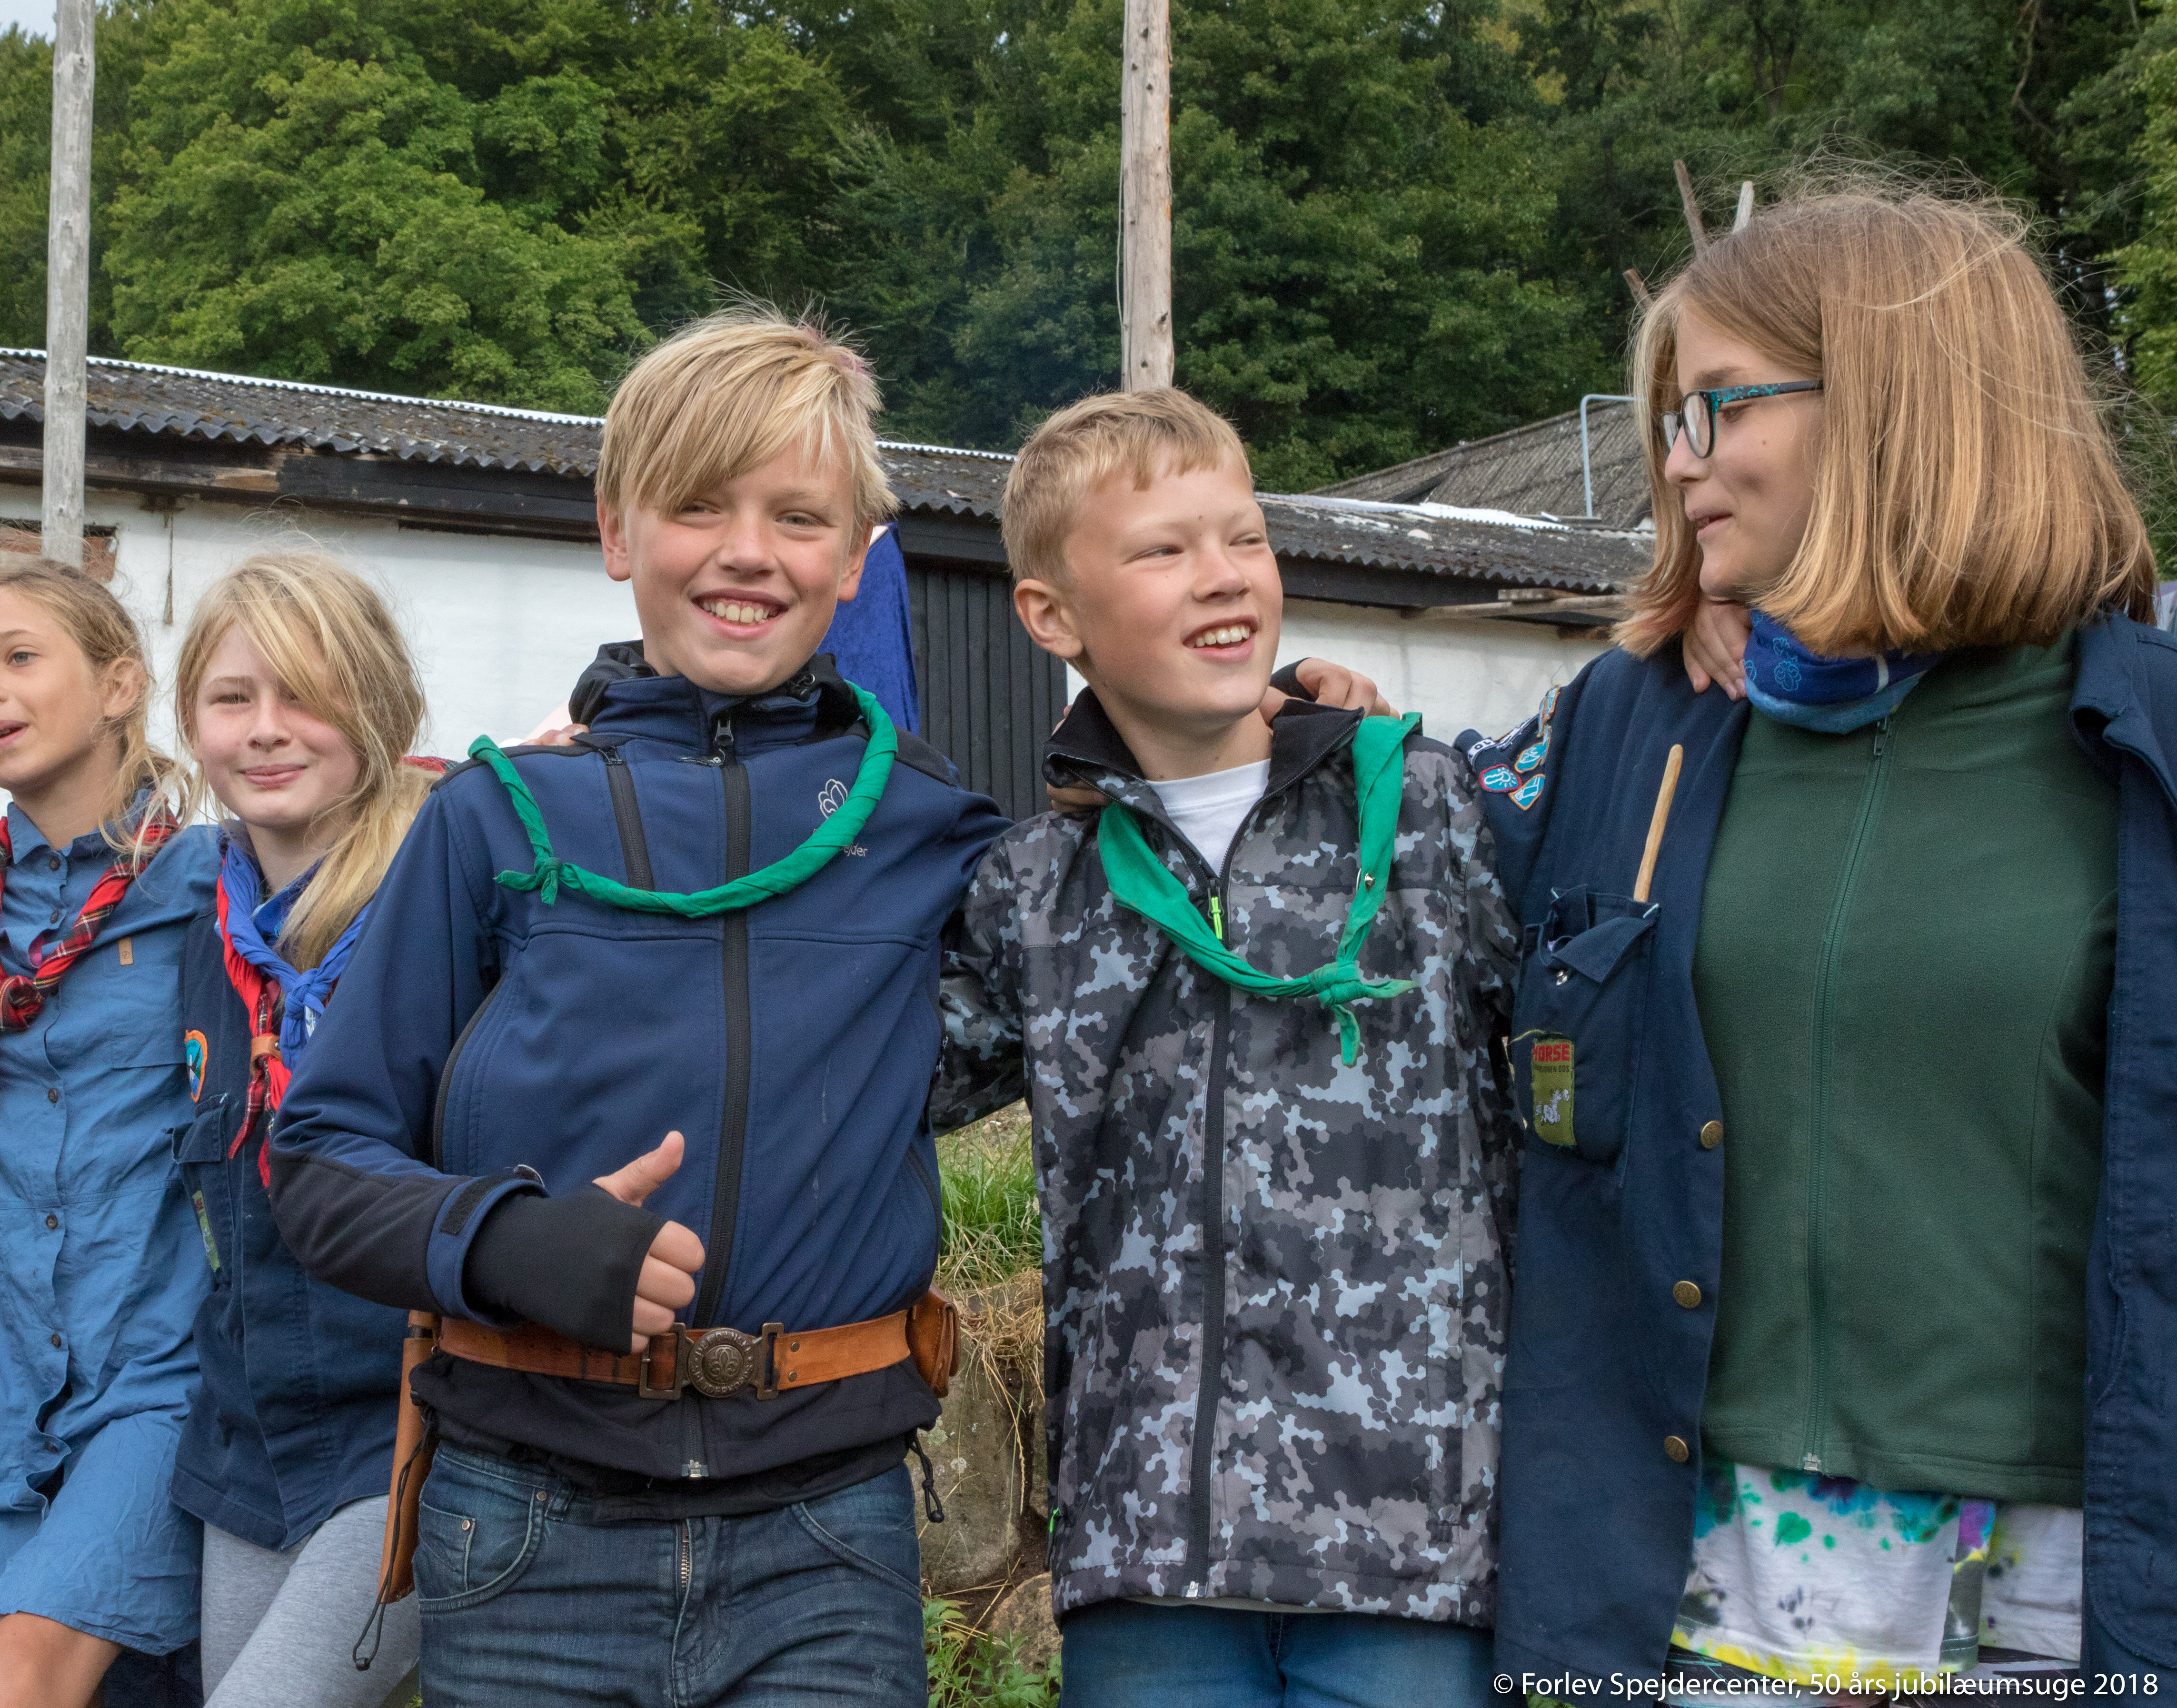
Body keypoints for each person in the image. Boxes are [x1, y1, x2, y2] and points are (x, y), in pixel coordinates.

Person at [1298, 180, 2177, 1697]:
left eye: (1717, 407)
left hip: (2055, 1601)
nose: (1676, 460)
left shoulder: (2144, 745)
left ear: (1898, 407)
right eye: (1669, 421)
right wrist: (1270, 724)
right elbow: (1396, 889)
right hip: (1690, 1592)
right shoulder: (1639, 721)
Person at [267, 307, 1006, 1707]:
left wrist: (1288, 730)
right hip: (527, 1530)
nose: (748, 551)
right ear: (618, 532)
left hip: (829, 1542)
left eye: (800, 516)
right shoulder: (496, 818)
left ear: (855, 559)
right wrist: (503, 1243)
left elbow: (1145, 903)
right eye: (697, 507)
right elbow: (317, 1163)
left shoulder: (930, 828)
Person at [926, 389, 1517, 1707]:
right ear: (1052, 618)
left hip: (1416, 1557)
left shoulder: (1434, 816)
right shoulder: (1035, 887)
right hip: (1150, 1566)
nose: (1223, 576)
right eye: (1162, 550)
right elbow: (864, 1075)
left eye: (1244, 538)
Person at [0, 559, 220, 1708]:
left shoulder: (223, 882)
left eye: (20, 658)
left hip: (159, 1367)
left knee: (19, 1676)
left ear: (120, 685)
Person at [168, 553, 439, 1708]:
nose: (267, 730)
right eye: (233, 698)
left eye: (307, 695)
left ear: (378, 708)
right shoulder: (201, 925)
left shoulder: (449, 901)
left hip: (415, 1437)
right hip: (254, 1447)